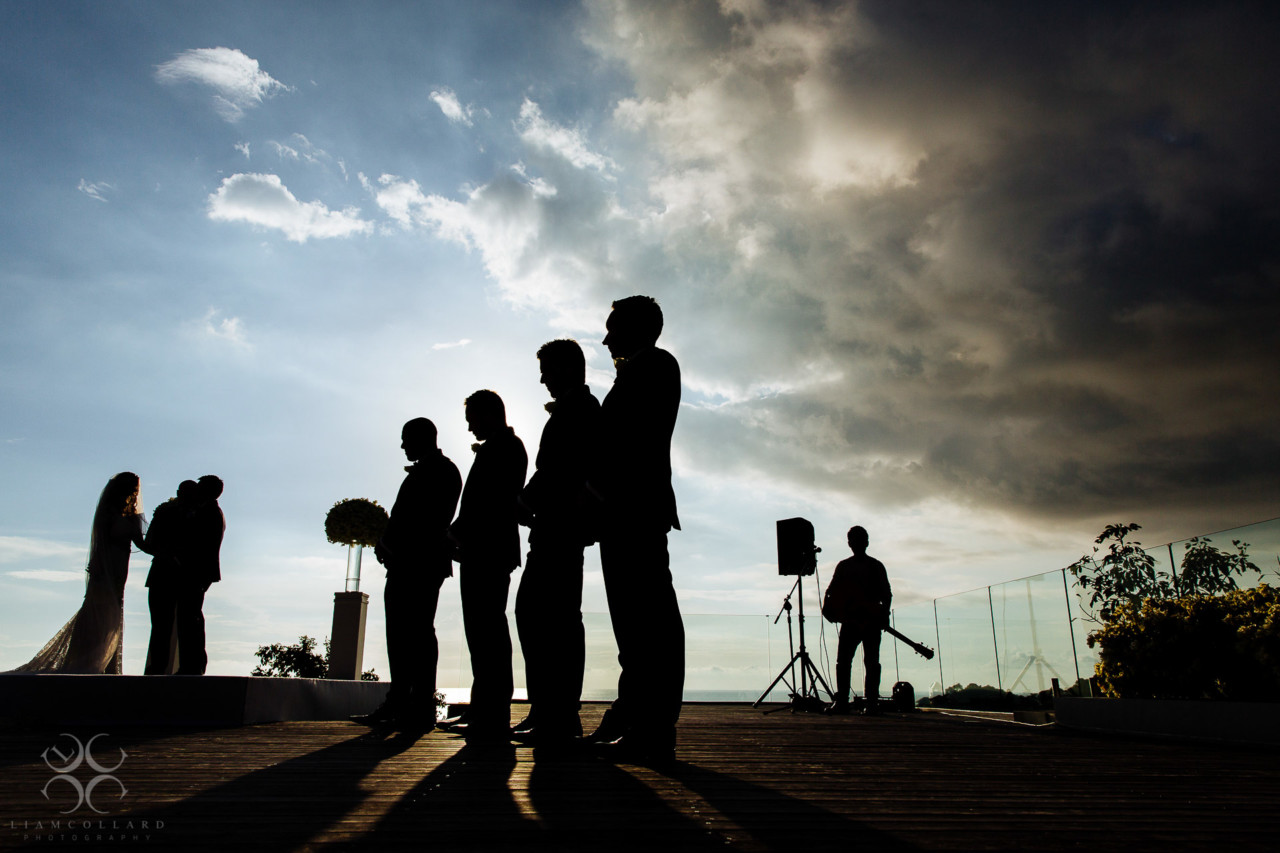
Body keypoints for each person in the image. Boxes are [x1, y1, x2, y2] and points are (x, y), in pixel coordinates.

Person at [584, 295, 684, 765]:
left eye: (613, 328)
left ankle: (654, 725)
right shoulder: (641, 371)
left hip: (634, 509)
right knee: (633, 621)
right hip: (623, 510)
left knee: (648, 619)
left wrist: (601, 490)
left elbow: (634, 440)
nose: (606, 339)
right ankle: (635, 716)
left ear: (638, 329)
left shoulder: (656, 366)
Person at [512, 339, 601, 746]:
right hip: (551, 528)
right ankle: (546, 709)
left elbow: (561, 469)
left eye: (547, 370)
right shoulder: (576, 409)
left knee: (555, 619)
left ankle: (560, 714)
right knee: (538, 616)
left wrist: (525, 500)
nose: (543, 379)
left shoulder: (582, 409)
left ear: (567, 369)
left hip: (562, 528)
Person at [354, 418, 461, 732]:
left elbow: (426, 519)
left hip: (418, 562)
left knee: (414, 632)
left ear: (421, 438)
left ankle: (414, 704)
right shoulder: (438, 469)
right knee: (404, 633)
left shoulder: (441, 469)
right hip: (411, 562)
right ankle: (405, 702)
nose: (402, 446)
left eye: (405, 439)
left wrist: (391, 542)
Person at [441, 390, 527, 739]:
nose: (469, 429)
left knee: (487, 630)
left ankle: (491, 713)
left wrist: (453, 533)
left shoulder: (505, 448)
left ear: (488, 414)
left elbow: (490, 502)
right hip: (483, 549)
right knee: (481, 631)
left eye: (472, 421)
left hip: (488, 550)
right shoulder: (503, 447)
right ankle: (484, 709)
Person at [9, 472, 147, 674]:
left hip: (119, 571)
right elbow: (101, 543)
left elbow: (142, 544)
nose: (134, 491)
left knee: (112, 614)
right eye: (131, 487)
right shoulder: (108, 513)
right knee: (98, 613)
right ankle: (89, 659)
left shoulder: (131, 517)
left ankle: (106, 663)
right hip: (105, 569)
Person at [822, 525, 892, 715]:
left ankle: (868, 703)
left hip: (864, 622)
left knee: (866, 662)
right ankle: (855, 702)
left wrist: (882, 615)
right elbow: (832, 592)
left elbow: (886, 595)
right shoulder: (847, 566)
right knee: (848, 662)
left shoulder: (871, 566)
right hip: (853, 621)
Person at [144, 480, 199, 674]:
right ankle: (160, 666)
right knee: (162, 624)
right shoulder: (166, 511)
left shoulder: (193, 513)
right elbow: (150, 542)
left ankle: (162, 666)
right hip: (167, 573)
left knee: (168, 625)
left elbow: (149, 542)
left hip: (177, 574)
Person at [173, 475, 224, 675]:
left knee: (189, 616)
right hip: (197, 569)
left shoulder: (209, 511)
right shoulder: (206, 510)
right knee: (190, 615)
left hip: (196, 569)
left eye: (200, 487)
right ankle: (192, 663)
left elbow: (199, 542)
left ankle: (192, 665)